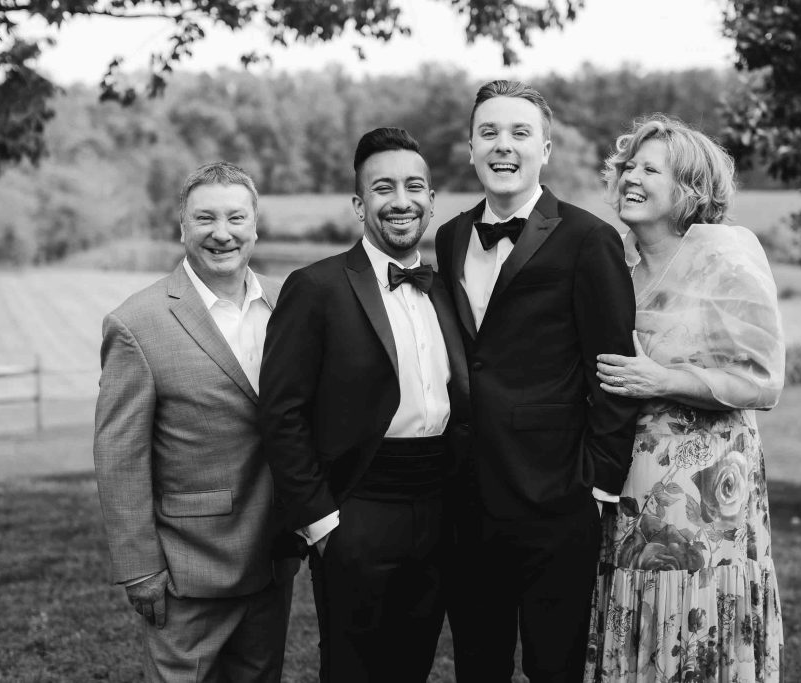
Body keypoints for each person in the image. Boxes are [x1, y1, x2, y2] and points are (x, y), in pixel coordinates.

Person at [434, 80, 640, 683]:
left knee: (555, 665)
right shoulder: (450, 236)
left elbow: (613, 368)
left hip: (557, 498)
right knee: (478, 663)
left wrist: (599, 484)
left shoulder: (589, 239)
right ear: (471, 148)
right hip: (467, 495)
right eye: (489, 132)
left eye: (520, 133)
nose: (504, 145)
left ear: (545, 150)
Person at [258, 127, 470, 683]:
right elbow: (281, 413)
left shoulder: (445, 289)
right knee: (353, 669)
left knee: (413, 665)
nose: (401, 201)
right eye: (383, 188)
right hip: (357, 509)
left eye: (414, 187)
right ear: (359, 205)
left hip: (438, 508)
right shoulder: (316, 287)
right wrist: (322, 523)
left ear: (431, 201)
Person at [585, 114, 786, 682]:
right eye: (629, 166)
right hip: (626, 481)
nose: (631, 177)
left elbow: (764, 380)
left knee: (693, 612)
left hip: (707, 487)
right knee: (634, 605)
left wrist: (664, 379)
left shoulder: (724, 257)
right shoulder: (610, 262)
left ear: (689, 189)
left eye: (651, 170)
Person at [93, 161, 298, 682]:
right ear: (181, 226)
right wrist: (140, 567)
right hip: (189, 569)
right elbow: (120, 458)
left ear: (255, 226)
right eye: (205, 218)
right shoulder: (137, 324)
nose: (221, 233)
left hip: (275, 558)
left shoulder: (292, 303)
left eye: (236, 217)